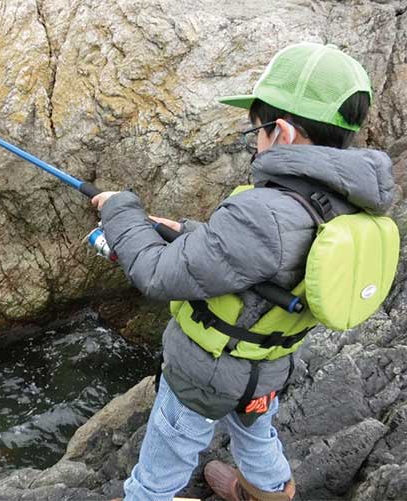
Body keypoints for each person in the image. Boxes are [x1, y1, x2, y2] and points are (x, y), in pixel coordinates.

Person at [92, 42, 396, 501]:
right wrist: (192, 232)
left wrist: (121, 210)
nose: (254, 142)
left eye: (256, 131)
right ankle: (269, 493)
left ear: (284, 133)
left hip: (206, 372)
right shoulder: (346, 201)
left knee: (172, 445)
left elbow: (156, 273)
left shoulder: (263, 212)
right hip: (270, 365)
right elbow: (275, 260)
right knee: (256, 430)